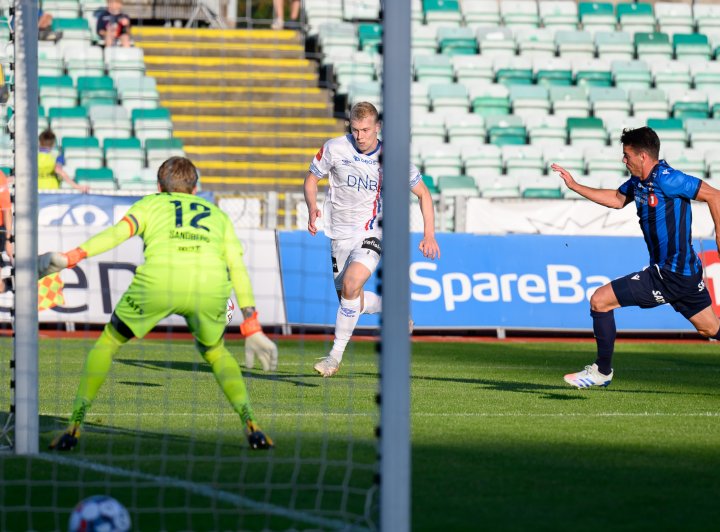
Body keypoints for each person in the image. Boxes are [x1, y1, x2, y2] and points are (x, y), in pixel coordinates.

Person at [40, 156, 279, 451]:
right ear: (195, 189)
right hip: (210, 286)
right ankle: (252, 426)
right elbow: (237, 268)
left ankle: (74, 427)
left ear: (159, 186)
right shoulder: (218, 215)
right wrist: (251, 324)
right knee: (216, 353)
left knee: (108, 344)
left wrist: (72, 256)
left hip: (159, 282)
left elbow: (116, 235)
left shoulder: (151, 203)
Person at [551, 127, 720, 401]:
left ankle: (602, 371)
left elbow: (716, 195)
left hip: (671, 274)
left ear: (643, 156)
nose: (624, 160)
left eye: (626, 155)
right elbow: (617, 200)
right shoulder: (638, 182)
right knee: (710, 327)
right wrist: (575, 186)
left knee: (600, 300)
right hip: (682, 274)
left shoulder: (669, 179)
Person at [304, 101, 440, 377]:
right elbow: (310, 180)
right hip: (338, 236)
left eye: (366, 130)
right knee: (349, 298)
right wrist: (312, 208)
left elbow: (424, 194)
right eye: (355, 130)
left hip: (371, 232)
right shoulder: (334, 148)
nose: (360, 136)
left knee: (353, 283)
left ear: (377, 127)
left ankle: (333, 357)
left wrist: (429, 235)